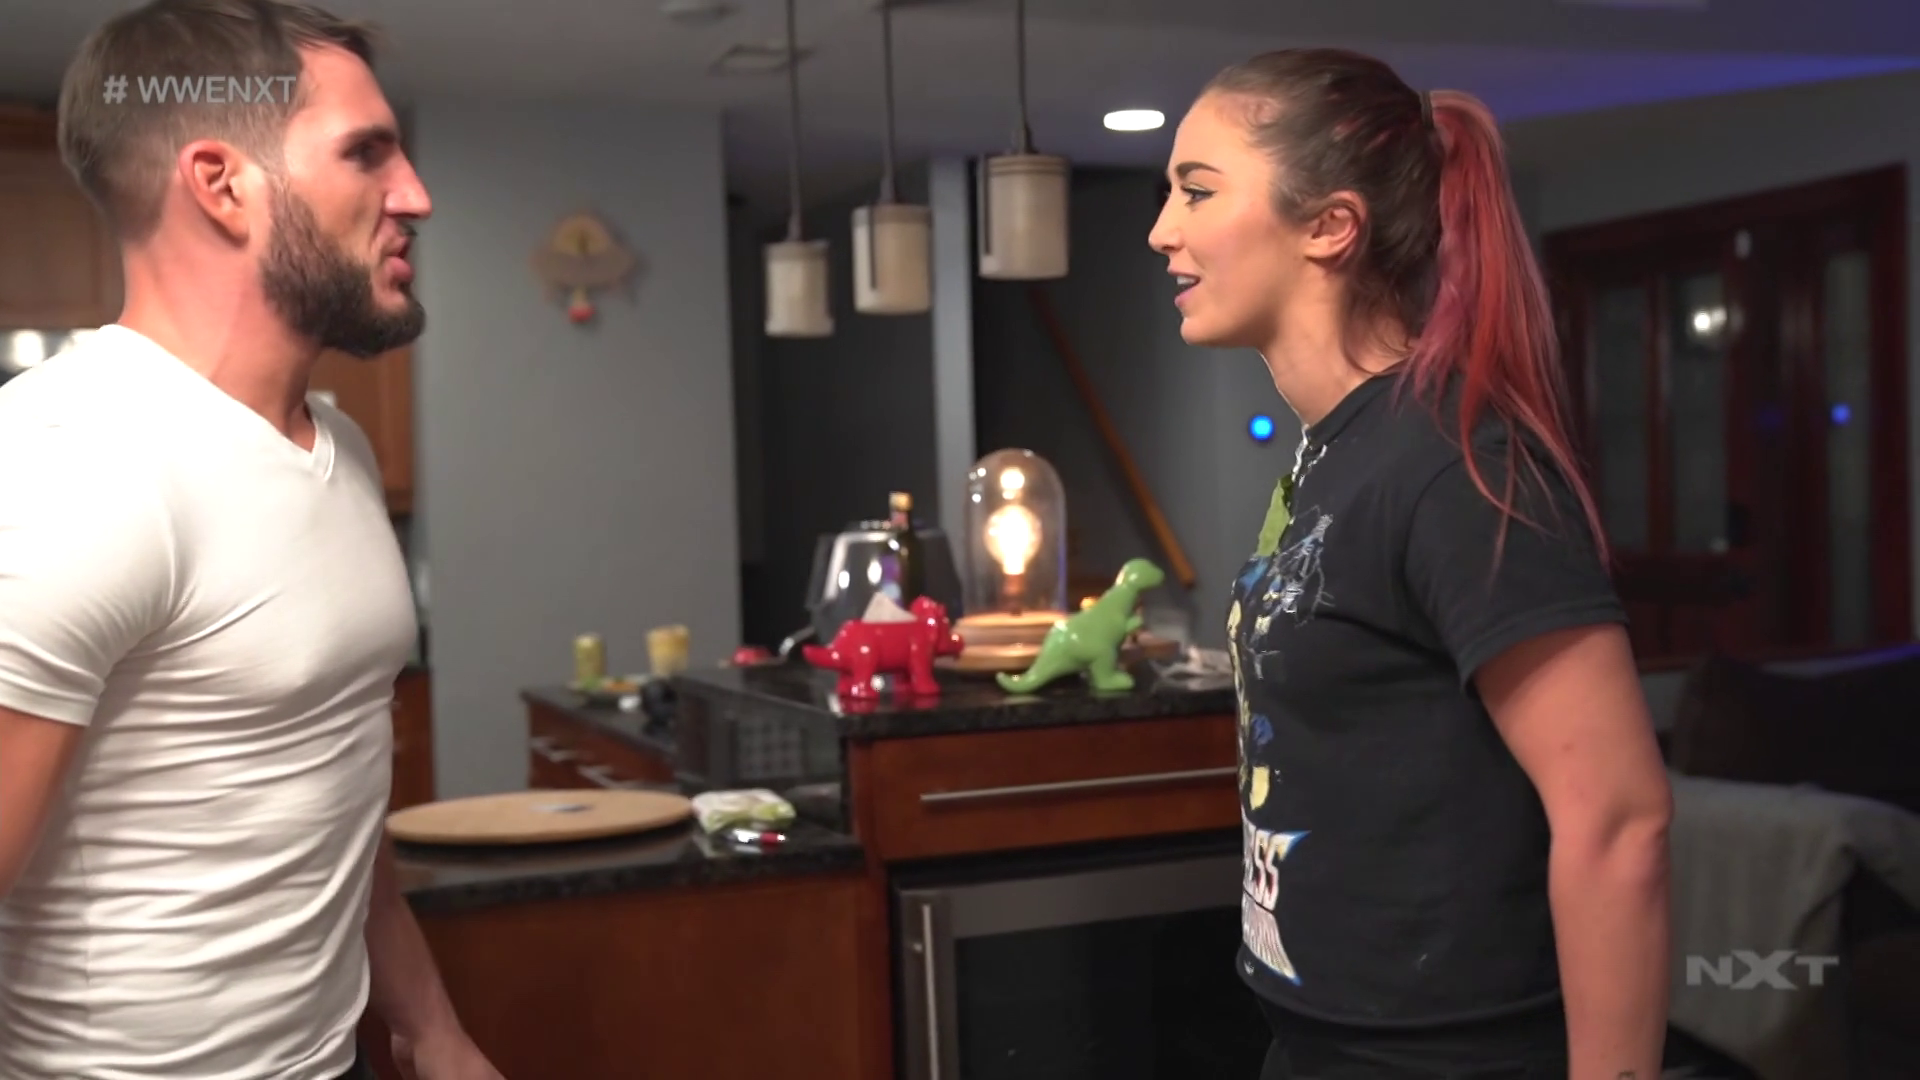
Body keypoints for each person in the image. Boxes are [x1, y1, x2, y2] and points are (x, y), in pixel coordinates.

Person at [1148, 49, 1676, 1079]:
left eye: (1197, 190)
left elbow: (1620, 822)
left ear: (1329, 226)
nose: (1164, 230)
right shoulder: (1337, 454)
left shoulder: (1454, 468)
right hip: (1319, 1043)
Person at [0, 2, 501, 1077]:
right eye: (366, 153)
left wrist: (431, 1029)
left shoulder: (340, 448)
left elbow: (327, 797)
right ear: (222, 183)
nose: (416, 194)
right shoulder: (72, 464)